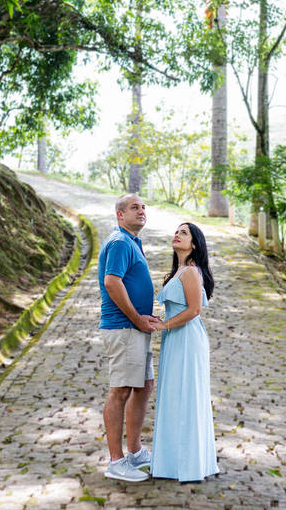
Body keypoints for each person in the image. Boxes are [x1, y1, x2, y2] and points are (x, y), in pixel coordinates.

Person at [98, 193, 160, 482]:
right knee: (121, 390)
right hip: (123, 328)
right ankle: (116, 461)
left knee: (144, 386)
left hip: (136, 329)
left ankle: (134, 452)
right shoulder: (120, 242)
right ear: (120, 215)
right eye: (135, 207)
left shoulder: (133, 242)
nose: (142, 211)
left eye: (144, 207)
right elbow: (112, 282)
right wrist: (136, 318)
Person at [150, 221, 218, 482]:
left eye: (184, 233)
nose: (177, 235)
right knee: (173, 395)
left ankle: (189, 465)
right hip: (175, 337)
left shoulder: (190, 271)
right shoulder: (178, 271)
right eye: (177, 231)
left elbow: (194, 310)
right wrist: (161, 321)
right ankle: (172, 463)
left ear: (195, 244)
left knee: (186, 394)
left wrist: (164, 325)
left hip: (187, 338)